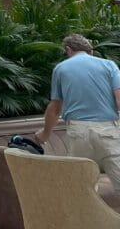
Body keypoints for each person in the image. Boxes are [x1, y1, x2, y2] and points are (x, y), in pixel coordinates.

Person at [35, 33, 120, 192]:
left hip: (78, 132)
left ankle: (88, 216)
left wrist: (45, 134)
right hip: (109, 130)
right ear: (91, 51)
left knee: (83, 188)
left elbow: (55, 108)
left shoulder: (61, 69)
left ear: (68, 49)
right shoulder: (109, 65)